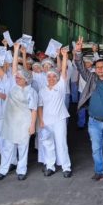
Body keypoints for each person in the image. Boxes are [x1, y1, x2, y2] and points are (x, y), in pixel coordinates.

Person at [74, 36, 103, 181]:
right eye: (98, 67)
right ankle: (99, 172)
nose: (100, 69)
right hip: (93, 121)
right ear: (95, 69)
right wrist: (78, 51)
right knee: (96, 150)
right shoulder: (91, 78)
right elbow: (80, 66)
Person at [0, 44, 38, 180]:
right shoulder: (13, 85)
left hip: (24, 123)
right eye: (17, 77)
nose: (16, 78)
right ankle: (3, 169)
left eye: (19, 77)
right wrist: (15, 51)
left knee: (22, 147)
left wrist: (32, 126)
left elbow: (34, 110)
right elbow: (14, 68)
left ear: (26, 80)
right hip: (10, 122)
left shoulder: (31, 91)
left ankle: (21, 170)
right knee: (8, 146)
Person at [38, 47, 72, 177]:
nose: (51, 78)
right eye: (49, 76)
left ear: (57, 78)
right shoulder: (42, 90)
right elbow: (40, 106)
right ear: (46, 77)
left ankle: (66, 167)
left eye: (54, 76)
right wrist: (41, 120)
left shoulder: (60, 86)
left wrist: (64, 56)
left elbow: (63, 72)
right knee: (48, 143)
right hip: (46, 120)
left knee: (61, 142)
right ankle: (50, 166)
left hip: (59, 119)